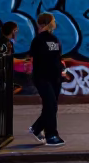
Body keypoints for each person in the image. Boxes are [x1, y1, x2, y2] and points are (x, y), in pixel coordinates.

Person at [27, 13, 67, 147]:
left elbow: (57, 57)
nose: (54, 22)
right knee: (51, 105)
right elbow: (34, 59)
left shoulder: (54, 39)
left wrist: (62, 69)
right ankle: (51, 135)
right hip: (42, 77)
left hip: (55, 77)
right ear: (45, 23)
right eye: (52, 20)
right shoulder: (38, 40)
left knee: (51, 107)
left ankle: (37, 128)